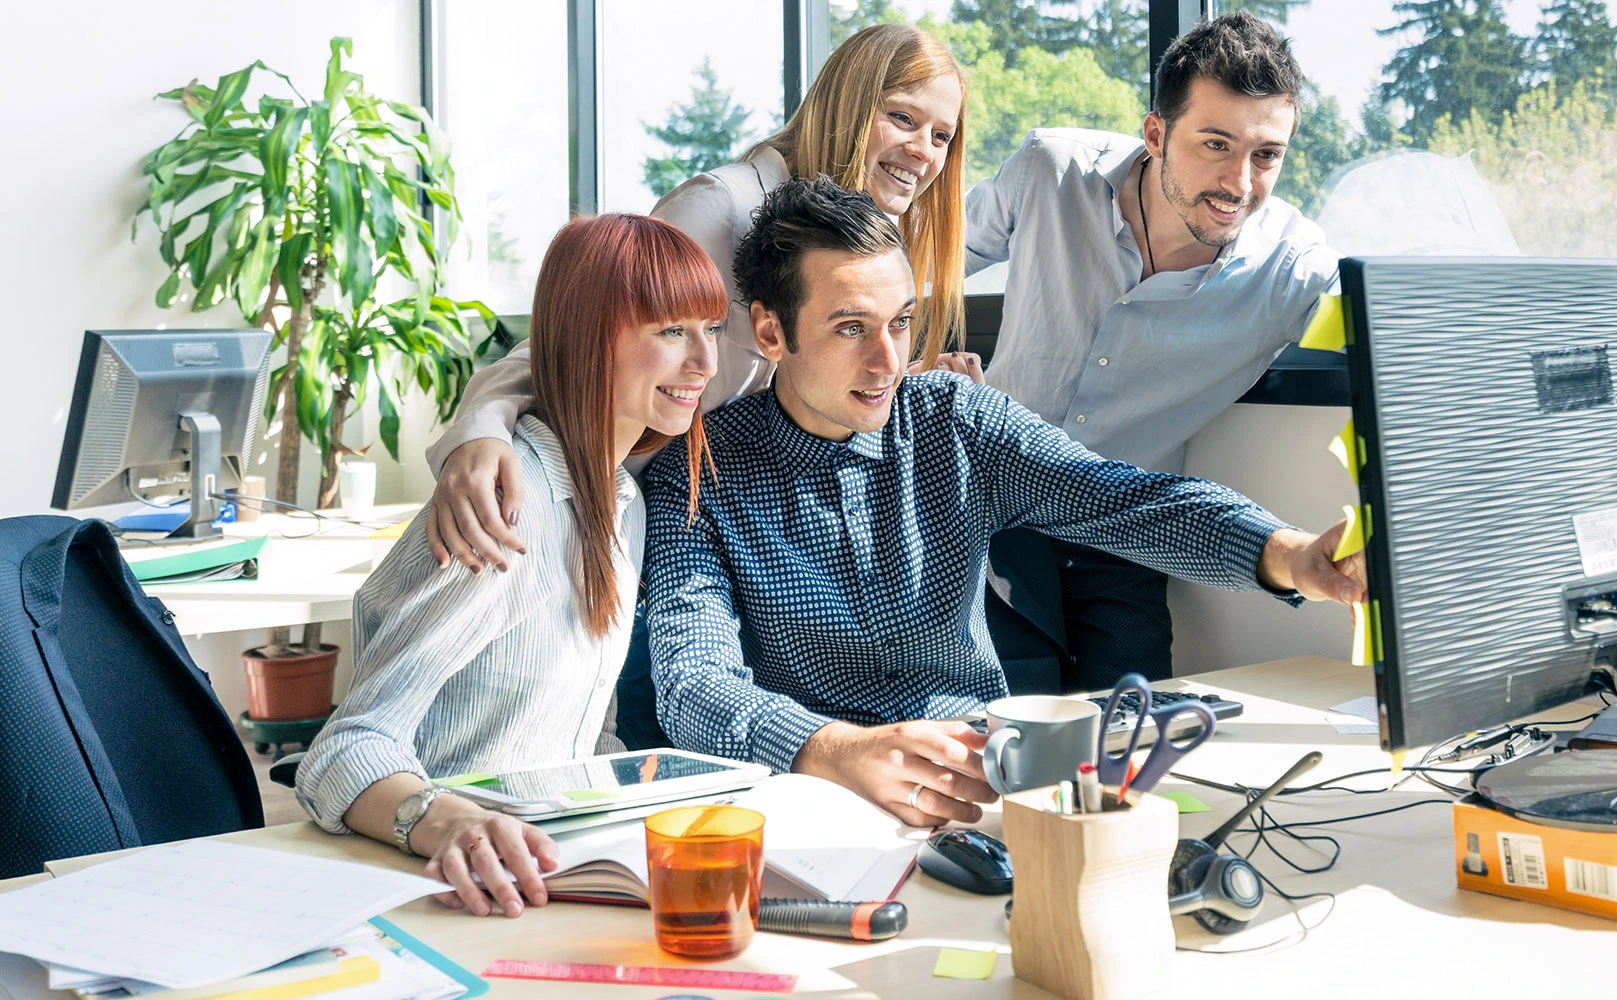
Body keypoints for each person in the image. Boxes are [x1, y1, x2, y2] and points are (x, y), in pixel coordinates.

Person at [642, 176, 1365, 827]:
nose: (889, 362)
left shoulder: (955, 419)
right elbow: (690, 679)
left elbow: (1127, 500)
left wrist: (1289, 554)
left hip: (987, 791)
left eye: (901, 322)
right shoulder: (699, 470)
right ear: (771, 331)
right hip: (819, 807)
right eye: (851, 328)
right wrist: (832, 748)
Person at [421, 23, 977, 574]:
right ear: (847, 105)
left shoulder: (869, 242)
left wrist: (923, 382)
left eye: (941, 136)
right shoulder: (721, 209)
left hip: (711, 535)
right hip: (586, 521)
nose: (923, 151)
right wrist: (480, 433)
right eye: (903, 118)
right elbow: (572, 342)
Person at [293, 214, 723, 919]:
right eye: (672, 330)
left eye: (711, 328)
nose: (704, 361)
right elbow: (346, 748)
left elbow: (577, 733)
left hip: (544, 874)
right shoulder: (507, 505)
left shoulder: (623, 501)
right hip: (439, 887)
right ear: (589, 338)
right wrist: (450, 822)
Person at [966, 11, 1340, 690]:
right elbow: (913, 263)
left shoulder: (1292, 268)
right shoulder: (1050, 172)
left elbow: (1394, 341)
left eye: (1266, 155)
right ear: (1156, 134)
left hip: (1125, 531)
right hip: (993, 510)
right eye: (1216, 144)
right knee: (998, 727)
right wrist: (915, 357)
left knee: (1137, 744)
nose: (1239, 182)